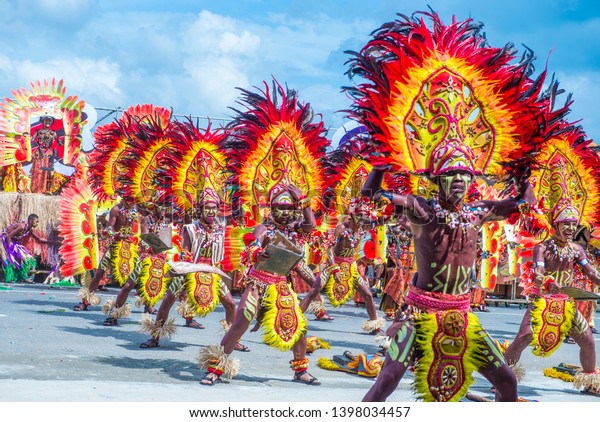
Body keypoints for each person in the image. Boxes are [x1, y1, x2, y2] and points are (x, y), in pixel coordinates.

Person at [139, 189, 247, 351]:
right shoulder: (190, 228)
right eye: (207, 207)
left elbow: (238, 214)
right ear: (200, 209)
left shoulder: (220, 226)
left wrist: (240, 194)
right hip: (190, 271)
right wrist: (185, 261)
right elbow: (186, 251)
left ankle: (233, 340)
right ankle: (155, 336)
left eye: (213, 207)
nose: (210, 211)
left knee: (231, 305)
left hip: (212, 273)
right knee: (168, 300)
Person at [73, 197, 139, 311]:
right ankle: (86, 301)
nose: (132, 203)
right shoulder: (116, 210)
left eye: (133, 200)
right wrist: (119, 236)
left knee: (136, 275)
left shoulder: (135, 210)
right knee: (99, 272)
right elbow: (109, 229)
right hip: (115, 245)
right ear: (124, 199)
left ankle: (148, 306)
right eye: (130, 200)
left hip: (129, 247)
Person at [1, 214, 57, 283]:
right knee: (12, 259)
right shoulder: (22, 226)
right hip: (5, 240)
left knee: (29, 259)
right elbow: (8, 236)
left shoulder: (29, 229)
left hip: (13, 242)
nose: (37, 223)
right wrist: (10, 250)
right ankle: (10, 277)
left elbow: (39, 239)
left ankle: (22, 276)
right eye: (36, 221)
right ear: (30, 221)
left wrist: (54, 242)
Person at [29, 116, 60, 194]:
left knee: (45, 171)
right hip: (39, 152)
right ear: (43, 122)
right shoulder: (38, 131)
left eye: (49, 121)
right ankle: (35, 189)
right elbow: (32, 139)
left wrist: (60, 142)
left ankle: (43, 189)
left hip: (47, 153)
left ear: (51, 122)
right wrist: (30, 139)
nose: (47, 123)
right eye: (46, 121)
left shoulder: (53, 133)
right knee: (37, 170)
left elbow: (57, 141)